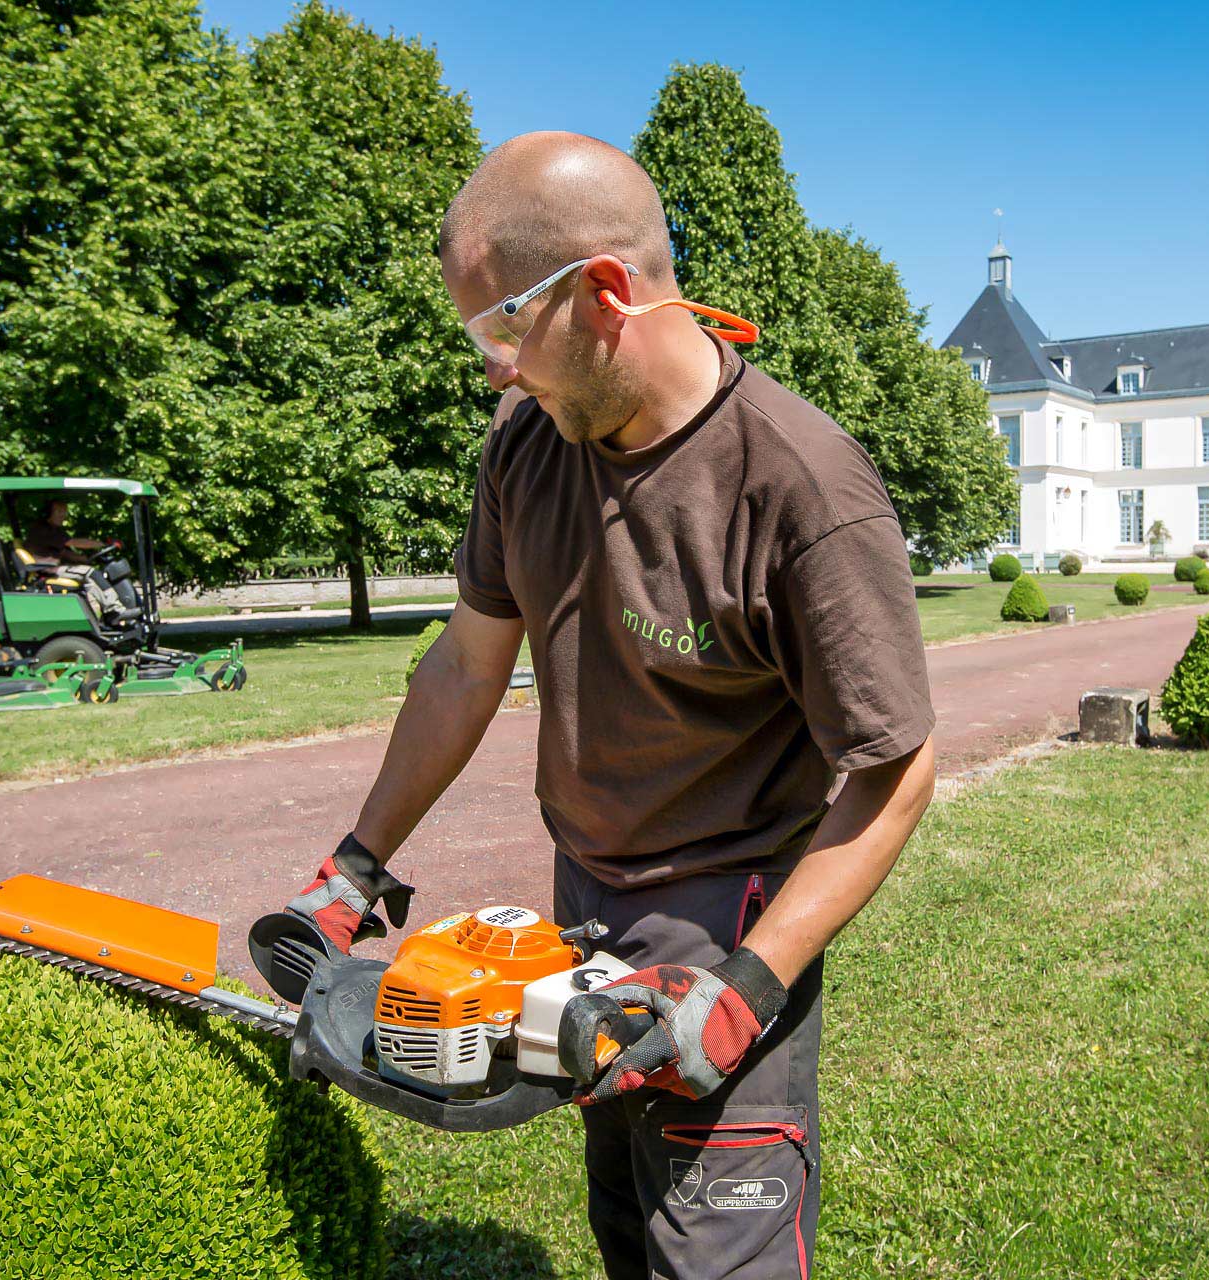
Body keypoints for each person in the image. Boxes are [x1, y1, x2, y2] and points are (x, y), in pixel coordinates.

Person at [267, 133, 936, 1278]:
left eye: (501, 329)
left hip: (730, 914)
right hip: (584, 899)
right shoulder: (528, 443)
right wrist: (356, 865)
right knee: (628, 1223)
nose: (492, 369)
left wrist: (747, 988)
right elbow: (466, 664)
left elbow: (893, 767)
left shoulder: (799, 488)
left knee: (716, 1245)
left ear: (607, 292)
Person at [22, 499, 102, 566]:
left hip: (51, 566)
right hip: (46, 568)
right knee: (91, 573)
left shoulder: (54, 529)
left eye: (64, 512)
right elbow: (75, 542)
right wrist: (102, 544)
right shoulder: (44, 529)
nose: (63, 515)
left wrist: (83, 558)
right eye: (59, 511)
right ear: (48, 513)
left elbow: (63, 552)